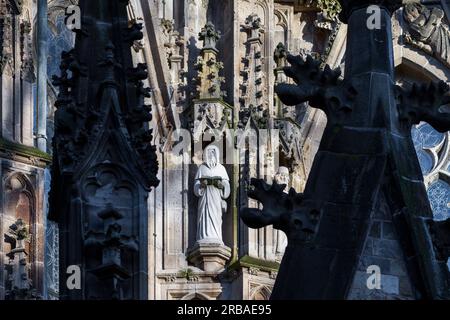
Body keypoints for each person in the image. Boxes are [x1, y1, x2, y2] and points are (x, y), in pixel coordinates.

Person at [194, 145, 230, 244]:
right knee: (204, 216)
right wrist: (201, 185)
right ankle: (203, 236)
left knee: (216, 216)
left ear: (217, 154)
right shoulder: (201, 168)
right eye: (209, 153)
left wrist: (221, 185)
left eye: (213, 153)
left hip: (216, 197)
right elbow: (196, 186)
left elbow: (227, 185)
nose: (211, 155)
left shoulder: (221, 168)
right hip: (205, 197)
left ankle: (216, 236)